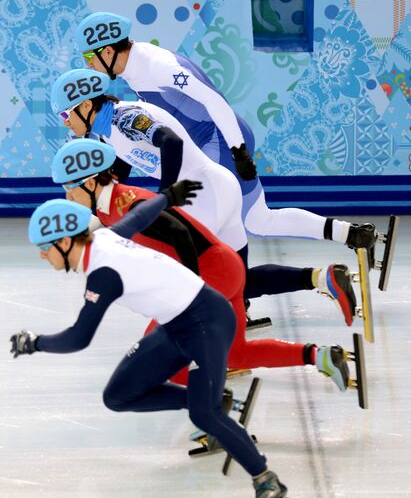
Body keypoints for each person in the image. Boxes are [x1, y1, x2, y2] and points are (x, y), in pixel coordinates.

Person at [9, 192, 286, 498]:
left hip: (207, 321)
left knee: (204, 414)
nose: (43, 257)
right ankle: (210, 400)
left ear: (66, 242)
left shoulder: (103, 273)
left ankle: (266, 479)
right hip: (176, 326)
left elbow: (79, 337)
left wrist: (34, 342)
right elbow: (140, 216)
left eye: (44, 248)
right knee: (118, 395)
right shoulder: (105, 237)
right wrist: (169, 196)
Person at [50, 69, 357, 329]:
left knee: (188, 276)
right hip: (219, 187)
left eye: (65, 114)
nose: (65, 122)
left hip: (201, 195)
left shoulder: (125, 117)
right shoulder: (108, 131)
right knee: (238, 279)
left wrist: (165, 195)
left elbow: (169, 141)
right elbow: (124, 166)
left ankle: (189, 344)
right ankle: (324, 278)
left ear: (86, 105)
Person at [51, 137, 353, 393]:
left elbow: (180, 233)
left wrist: (191, 288)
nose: (67, 195)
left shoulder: (128, 203)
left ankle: (212, 411)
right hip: (225, 267)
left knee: (159, 353)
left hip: (211, 273)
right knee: (237, 354)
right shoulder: (106, 207)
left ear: (90, 182)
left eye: (69, 187)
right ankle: (322, 356)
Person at [74, 12, 378, 255]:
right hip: (214, 142)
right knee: (259, 220)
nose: (88, 65)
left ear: (109, 51)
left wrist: (238, 150)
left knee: (199, 224)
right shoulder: (135, 67)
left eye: (89, 58)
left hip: (220, 140)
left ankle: (227, 299)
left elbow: (212, 98)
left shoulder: (156, 65)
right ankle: (351, 233)